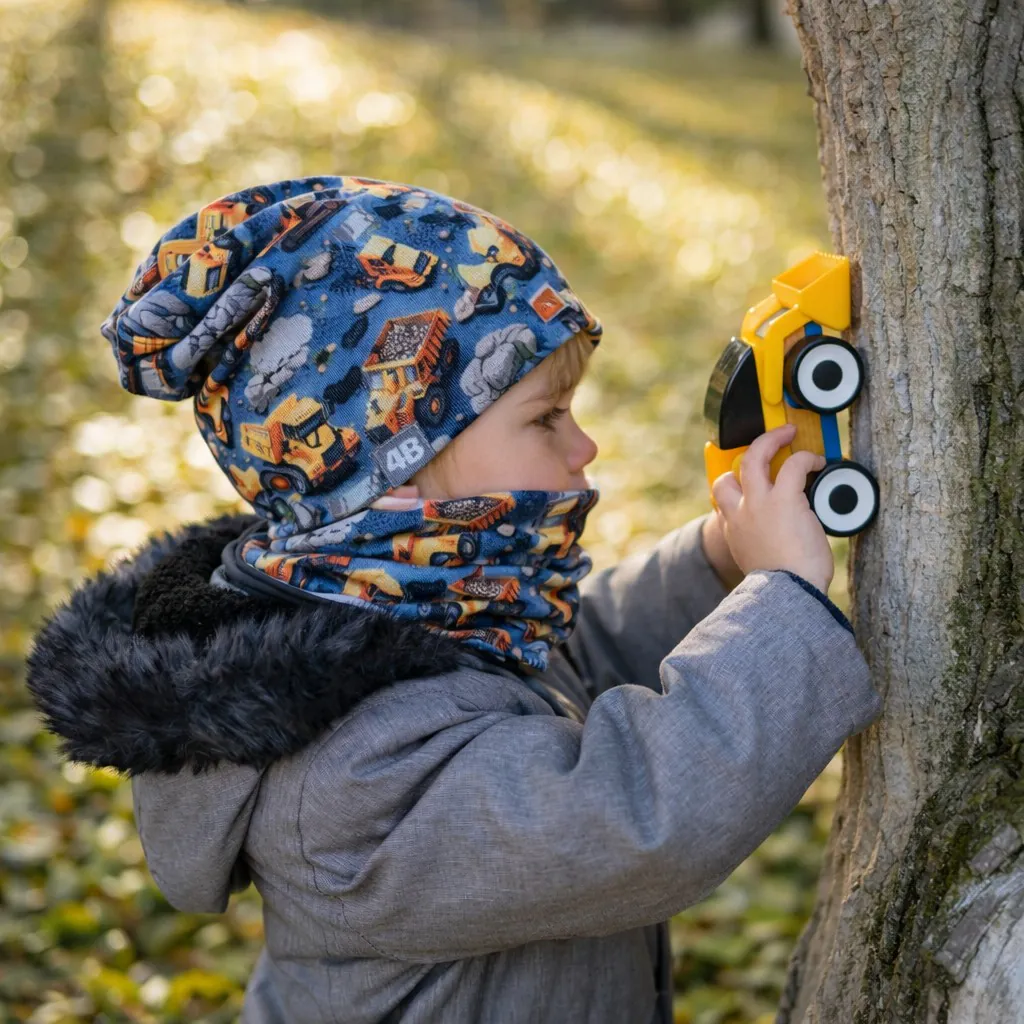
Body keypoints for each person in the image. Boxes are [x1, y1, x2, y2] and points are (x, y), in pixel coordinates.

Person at [26, 175, 882, 1024]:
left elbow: (566, 662)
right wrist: (783, 600)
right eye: (546, 418)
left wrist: (717, 560)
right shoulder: (347, 785)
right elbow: (628, 818)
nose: (585, 446)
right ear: (393, 464)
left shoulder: (407, 599)